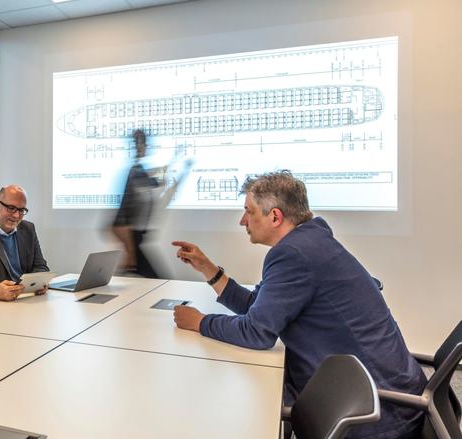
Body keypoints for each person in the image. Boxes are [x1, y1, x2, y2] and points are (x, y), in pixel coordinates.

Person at [171, 171, 426, 439]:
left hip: (378, 412)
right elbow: (256, 306)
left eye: (249, 211)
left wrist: (200, 322)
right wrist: (209, 270)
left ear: (275, 217)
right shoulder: (309, 242)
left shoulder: (293, 254)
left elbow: (257, 333)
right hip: (384, 390)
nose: (242, 221)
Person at [112, 129, 188, 278]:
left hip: (137, 239)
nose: (145, 147)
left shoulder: (138, 170)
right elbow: (122, 218)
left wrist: (176, 162)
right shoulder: (135, 172)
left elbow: (157, 179)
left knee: (134, 277)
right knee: (158, 280)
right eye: (142, 144)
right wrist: (130, 251)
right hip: (133, 238)